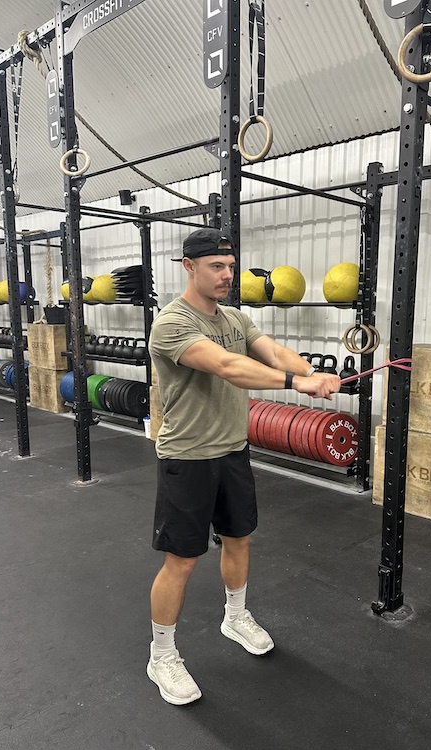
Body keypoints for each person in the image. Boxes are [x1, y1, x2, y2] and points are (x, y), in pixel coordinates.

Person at [147, 227, 341, 705]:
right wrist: (298, 382)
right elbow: (227, 367)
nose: (227, 275)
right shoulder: (172, 323)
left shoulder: (235, 317)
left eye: (230, 266)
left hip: (233, 449)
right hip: (188, 455)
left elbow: (271, 352)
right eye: (216, 266)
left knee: (239, 538)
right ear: (189, 266)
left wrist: (310, 371)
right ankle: (162, 655)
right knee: (183, 560)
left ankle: (235, 617)